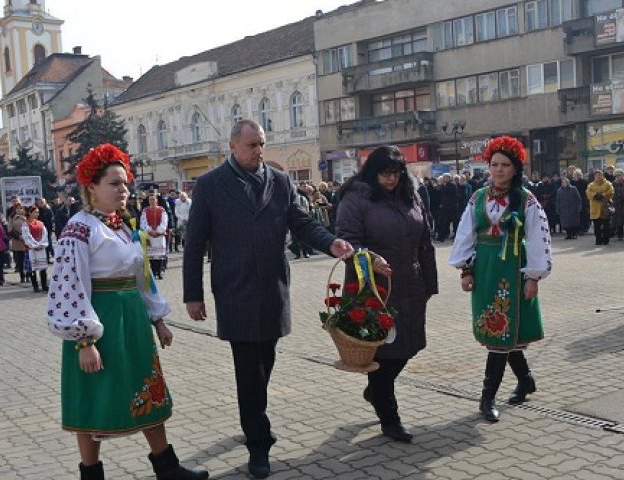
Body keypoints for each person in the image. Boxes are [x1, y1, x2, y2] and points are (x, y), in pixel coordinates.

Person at [183, 119, 353, 479]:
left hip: (273, 289)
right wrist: (192, 295)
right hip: (235, 290)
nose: (259, 151)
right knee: (249, 371)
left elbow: (302, 222)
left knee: (265, 362)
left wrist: (330, 243)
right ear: (233, 145)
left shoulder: (279, 181)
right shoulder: (211, 185)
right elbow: (194, 243)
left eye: (261, 143)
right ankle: (259, 443)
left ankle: (253, 417)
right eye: (251, 145)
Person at [46, 143, 208, 480]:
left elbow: (142, 276)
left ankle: (167, 467)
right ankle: (91, 475)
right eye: (114, 183)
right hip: (100, 323)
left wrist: (158, 318)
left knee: (148, 387)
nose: (124, 189)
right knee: (94, 395)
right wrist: (84, 341)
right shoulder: (78, 229)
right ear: (92, 186)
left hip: (133, 320)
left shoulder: (122, 226)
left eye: (125, 182)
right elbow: (70, 286)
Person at [335, 146, 438, 443]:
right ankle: (389, 417)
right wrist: (371, 259)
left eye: (395, 173)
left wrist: (430, 284)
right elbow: (347, 243)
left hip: (412, 283)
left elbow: (425, 242)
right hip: (375, 289)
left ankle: (376, 390)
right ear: (373, 172)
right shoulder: (357, 198)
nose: (391, 179)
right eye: (385, 173)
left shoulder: (410, 194)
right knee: (385, 351)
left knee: (411, 345)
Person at [449, 136, 552, 423]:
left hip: (514, 269)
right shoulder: (478, 197)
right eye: (494, 164)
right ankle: (526, 380)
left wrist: (533, 276)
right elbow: (464, 234)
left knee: (506, 332)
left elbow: (538, 240)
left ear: (516, 168)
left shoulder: (526, 200)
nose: (498, 170)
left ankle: (487, 397)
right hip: (486, 270)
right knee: (502, 333)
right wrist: (466, 270)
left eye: (505, 165)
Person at [22, 205, 49, 293]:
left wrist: (41, 244)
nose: (37, 214)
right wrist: (34, 245)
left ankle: (44, 285)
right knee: (32, 268)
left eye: (38, 212)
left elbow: (45, 234)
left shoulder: (40, 223)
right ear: (30, 213)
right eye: (35, 212)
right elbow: (27, 237)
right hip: (31, 249)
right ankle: (35, 286)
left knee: (42, 268)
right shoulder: (25, 224)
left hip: (40, 248)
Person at [141, 193, 168, 280]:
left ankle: (159, 272)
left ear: (156, 200)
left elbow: (164, 222)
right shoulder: (145, 210)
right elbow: (143, 222)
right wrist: (150, 230)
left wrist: (158, 230)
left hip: (159, 236)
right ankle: (153, 272)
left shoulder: (162, 210)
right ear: (148, 201)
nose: (152, 201)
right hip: (150, 236)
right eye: (150, 199)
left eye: (153, 199)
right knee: (151, 255)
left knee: (159, 255)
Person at [586, 170, 614, 246]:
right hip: (595, 209)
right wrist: (595, 195)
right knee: (597, 227)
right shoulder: (591, 185)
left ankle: (606, 240)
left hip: (605, 209)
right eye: (597, 175)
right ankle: (598, 240)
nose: (598, 176)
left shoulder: (608, 183)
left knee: (606, 226)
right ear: (594, 176)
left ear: (603, 175)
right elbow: (588, 193)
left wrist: (603, 195)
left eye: (600, 174)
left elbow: (611, 192)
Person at [8, 205, 28, 282]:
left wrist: (26, 236)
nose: (19, 210)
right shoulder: (12, 217)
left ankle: (29, 275)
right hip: (17, 241)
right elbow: (10, 229)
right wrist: (19, 236)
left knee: (27, 259)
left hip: (27, 241)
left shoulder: (27, 216)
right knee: (19, 260)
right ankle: (22, 276)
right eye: (17, 209)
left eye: (20, 208)